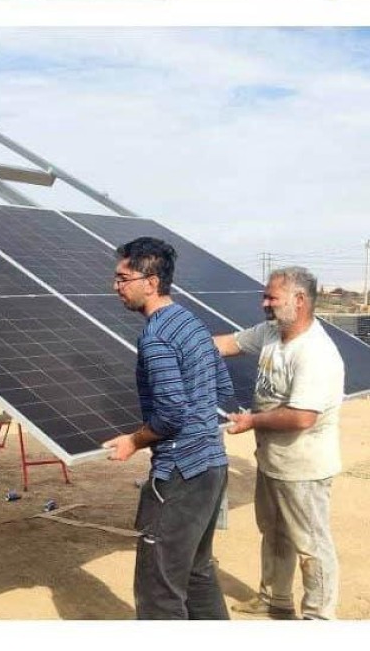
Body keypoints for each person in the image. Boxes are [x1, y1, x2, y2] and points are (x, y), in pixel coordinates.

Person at [101, 237, 235, 620]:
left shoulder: (156, 336)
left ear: (151, 282)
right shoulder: (192, 323)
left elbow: (171, 414)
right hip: (212, 464)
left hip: (180, 472)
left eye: (123, 278)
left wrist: (134, 440)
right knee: (196, 572)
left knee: (159, 591)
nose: (115, 286)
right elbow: (222, 387)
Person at [213, 266, 345, 620]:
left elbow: (302, 417)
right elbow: (228, 344)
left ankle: (318, 617)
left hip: (304, 467)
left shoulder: (315, 352)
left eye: (272, 297)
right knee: (274, 533)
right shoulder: (272, 333)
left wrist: (252, 421)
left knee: (311, 545)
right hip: (272, 459)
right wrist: (182, 343)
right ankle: (275, 599)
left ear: (299, 300)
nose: (264, 303)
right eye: (265, 297)